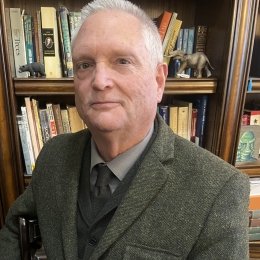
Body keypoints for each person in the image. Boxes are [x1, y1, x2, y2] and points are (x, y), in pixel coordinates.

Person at [0, 0, 250, 259]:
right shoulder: (54, 155)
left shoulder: (220, 191)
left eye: (122, 61)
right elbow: (14, 229)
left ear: (159, 81)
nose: (99, 81)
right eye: (85, 64)